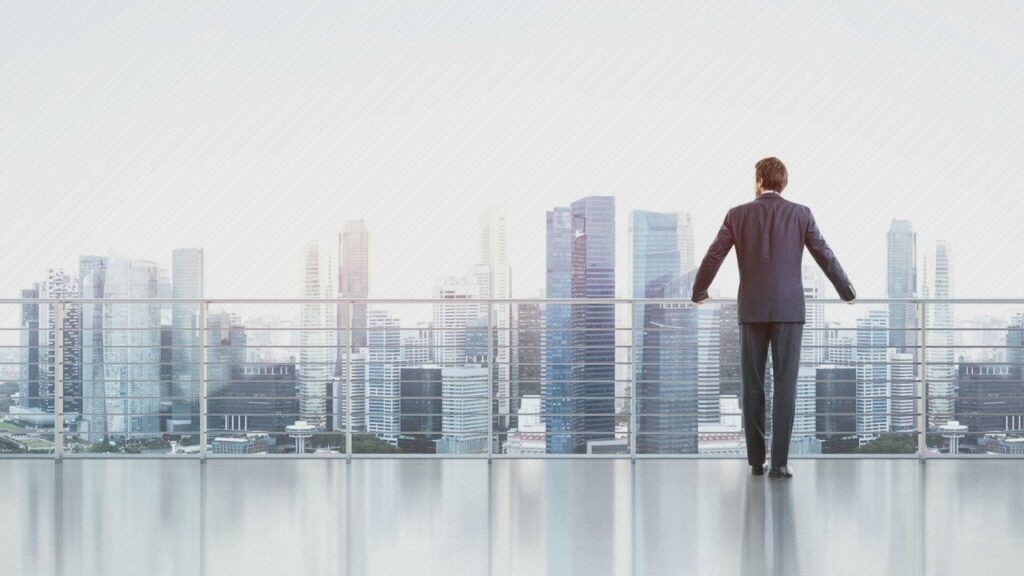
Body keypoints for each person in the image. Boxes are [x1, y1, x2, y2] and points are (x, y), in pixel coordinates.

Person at [691, 157, 855, 479]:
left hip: (752, 310)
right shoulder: (801, 214)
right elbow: (824, 253)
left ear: (758, 180)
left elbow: (714, 254)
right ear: (784, 182)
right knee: (785, 385)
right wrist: (846, 291)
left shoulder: (737, 215)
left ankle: (755, 462)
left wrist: (699, 290)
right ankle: (779, 463)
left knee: (752, 386)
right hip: (789, 311)